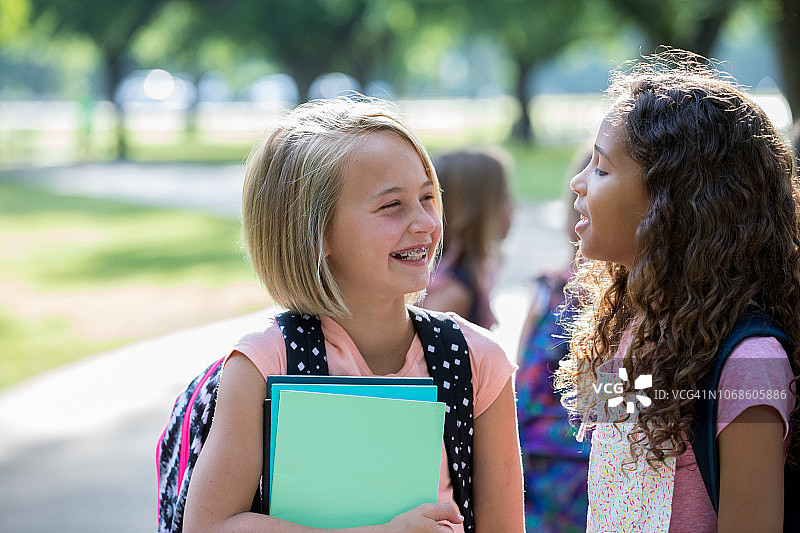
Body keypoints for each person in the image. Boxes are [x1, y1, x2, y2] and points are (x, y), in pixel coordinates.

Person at [183, 96, 525, 533]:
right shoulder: (264, 362)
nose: (424, 221)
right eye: (391, 206)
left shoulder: (479, 361)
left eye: (427, 197)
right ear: (316, 232)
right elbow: (209, 525)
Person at [555, 49, 800, 532]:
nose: (576, 183)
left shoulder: (752, 361)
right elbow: (612, 444)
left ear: (673, 205)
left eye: (601, 170)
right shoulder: (634, 325)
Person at [514, 149, 591, 533]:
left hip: (582, 471)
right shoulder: (549, 289)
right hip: (534, 468)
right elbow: (518, 380)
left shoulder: (630, 306)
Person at [422, 148, 513, 330]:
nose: (513, 207)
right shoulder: (452, 294)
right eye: (505, 197)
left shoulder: (469, 277)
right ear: (479, 213)